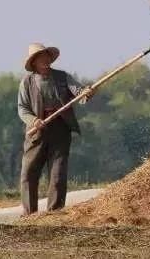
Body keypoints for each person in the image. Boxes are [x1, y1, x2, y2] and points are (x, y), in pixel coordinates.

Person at [17, 43, 94, 215]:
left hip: (61, 129)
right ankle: (30, 213)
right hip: (37, 131)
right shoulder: (27, 82)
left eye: (46, 56)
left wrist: (87, 92)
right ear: (34, 62)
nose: (45, 59)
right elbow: (22, 108)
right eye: (40, 57)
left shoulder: (62, 77)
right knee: (29, 172)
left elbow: (79, 93)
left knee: (58, 173)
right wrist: (34, 120)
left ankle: (54, 212)